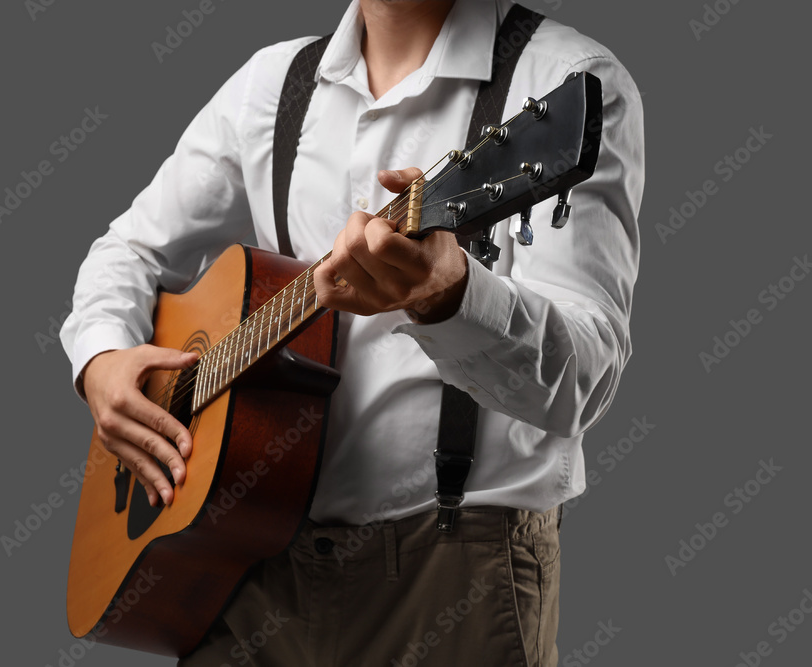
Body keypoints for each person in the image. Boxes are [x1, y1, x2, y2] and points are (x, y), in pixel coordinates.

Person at [60, 0, 644, 664]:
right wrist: (102, 357)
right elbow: (128, 251)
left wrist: (450, 297)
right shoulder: (272, 86)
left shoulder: (567, 80)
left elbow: (584, 382)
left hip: (455, 572)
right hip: (250, 569)